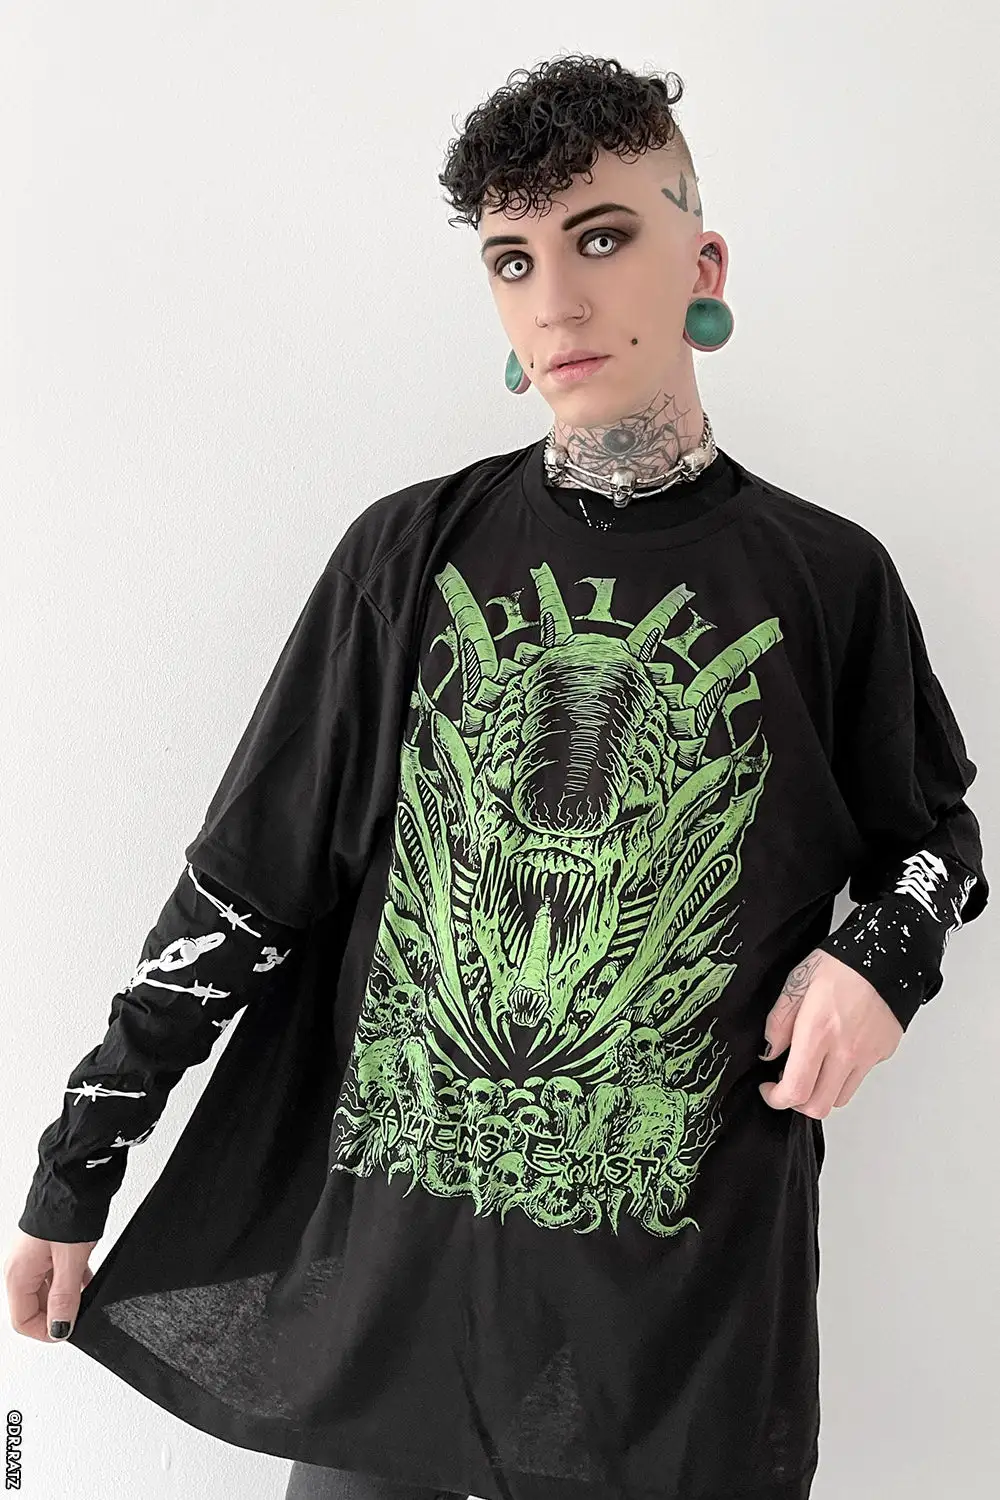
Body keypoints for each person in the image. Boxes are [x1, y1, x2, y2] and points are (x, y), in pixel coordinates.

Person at [4, 52, 988, 1500]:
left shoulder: (829, 580)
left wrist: (880, 960)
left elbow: (938, 841)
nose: (556, 302)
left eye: (603, 237)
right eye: (513, 260)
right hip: (390, 1310)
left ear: (703, 264)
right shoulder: (408, 553)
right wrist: (82, 1154)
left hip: (666, 1335)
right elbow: (247, 884)